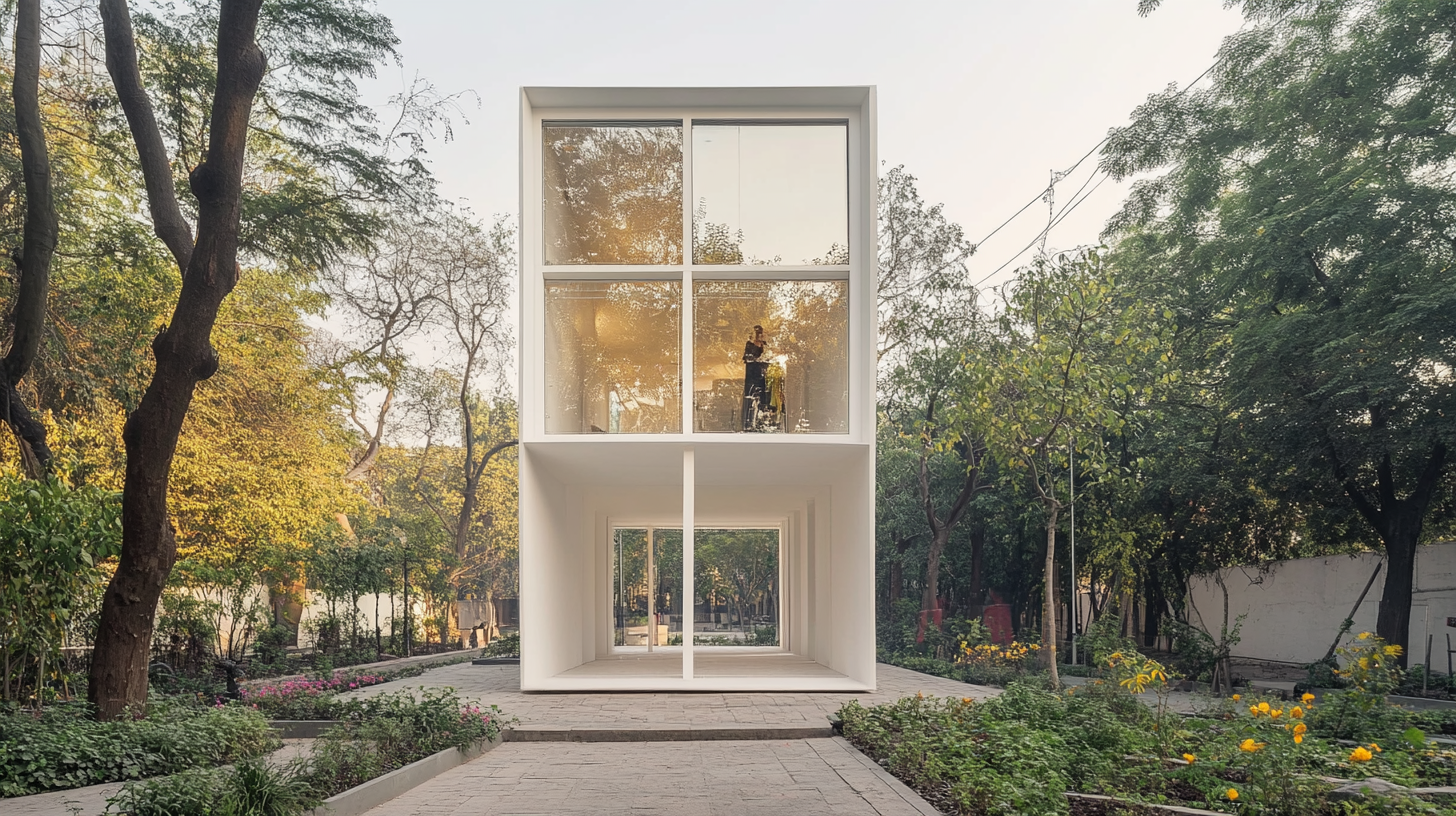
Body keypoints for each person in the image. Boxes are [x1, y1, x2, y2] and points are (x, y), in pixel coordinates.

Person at [742, 325, 767, 431]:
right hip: (752, 374)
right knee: (750, 397)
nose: (759, 335)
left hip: (760, 374)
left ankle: (758, 421)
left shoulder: (764, 345)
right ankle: (748, 423)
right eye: (757, 333)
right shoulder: (749, 345)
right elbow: (747, 358)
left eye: (760, 333)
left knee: (761, 397)